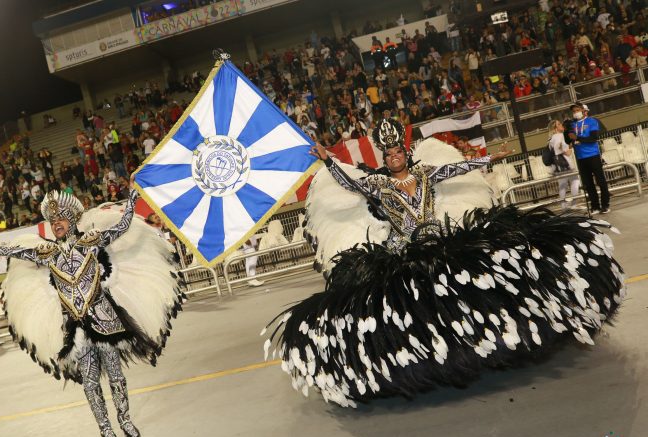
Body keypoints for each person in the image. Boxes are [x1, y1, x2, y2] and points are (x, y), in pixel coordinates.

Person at [264, 118, 625, 408]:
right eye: (387, 153)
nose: (392, 157)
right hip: (405, 251)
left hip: (441, 241)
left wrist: (487, 160)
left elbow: (460, 168)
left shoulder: (425, 174)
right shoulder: (376, 184)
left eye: (396, 151)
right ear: (383, 157)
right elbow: (346, 181)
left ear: (405, 152)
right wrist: (328, 159)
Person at [0, 185, 184, 437]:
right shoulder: (47, 253)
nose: (55, 224)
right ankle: (105, 429)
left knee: (116, 377)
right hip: (75, 327)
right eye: (52, 221)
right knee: (91, 383)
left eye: (60, 219)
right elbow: (10, 251)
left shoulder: (90, 241)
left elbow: (122, 227)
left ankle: (125, 420)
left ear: (72, 220)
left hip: (105, 319)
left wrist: (131, 199)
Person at [567, 103, 610, 214]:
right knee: (588, 184)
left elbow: (593, 137)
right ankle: (595, 206)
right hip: (580, 158)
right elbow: (569, 140)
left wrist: (578, 138)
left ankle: (605, 205)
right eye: (573, 111)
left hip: (593, 155)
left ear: (582, 110)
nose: (575, 113)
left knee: (601, 181)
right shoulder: (573, 124)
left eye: (577, 110)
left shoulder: (591, 121)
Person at [548, 120, 580, 210]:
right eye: (559, 124)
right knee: (575, 181)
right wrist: (567, 151)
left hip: (557, 163)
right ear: (555, 128)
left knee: (562, 185)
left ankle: (563, 206)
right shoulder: (558, 136)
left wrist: (568, 147)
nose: (561, 125)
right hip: (564, 161)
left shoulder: (552, 138)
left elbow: (556, 148)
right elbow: (559, 147)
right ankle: (573, 204)